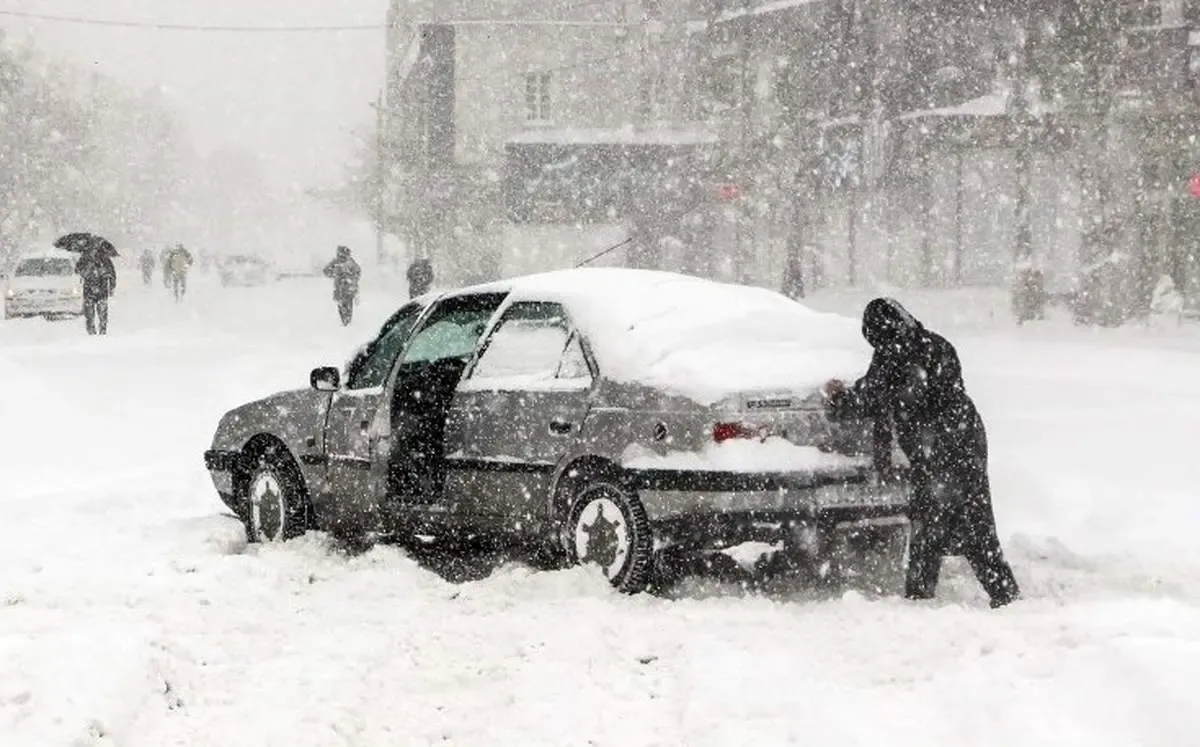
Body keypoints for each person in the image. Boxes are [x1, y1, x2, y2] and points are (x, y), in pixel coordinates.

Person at [823, 298, 1020, 609]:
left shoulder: (894, 355)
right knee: (974, 515)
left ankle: (920, 594)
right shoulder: (936, 343)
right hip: (967, 433)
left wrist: (837, 399)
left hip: (936, 445)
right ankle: (1002, 590)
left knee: (929, 519)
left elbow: (869, 399)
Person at [75, 246, 116, 335]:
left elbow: (111, 274)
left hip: (96, 290)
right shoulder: (86, 259)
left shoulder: (103, 260)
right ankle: (96, 329)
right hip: (94, 290)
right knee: (94, 312)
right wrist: (112, 286)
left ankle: (98, 329)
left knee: (97, 311)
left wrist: (111, 286)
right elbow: (112, 274)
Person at [323, 245, 361, 326]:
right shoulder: (338, 262)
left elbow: (358, 273)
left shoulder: (349, 262)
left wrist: (350, 278)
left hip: (347, 288)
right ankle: (345, 320)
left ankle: (346, 320)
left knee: (346, 304)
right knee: (343, 305)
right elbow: (326, 271)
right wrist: (335, 275)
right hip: (343, 288)